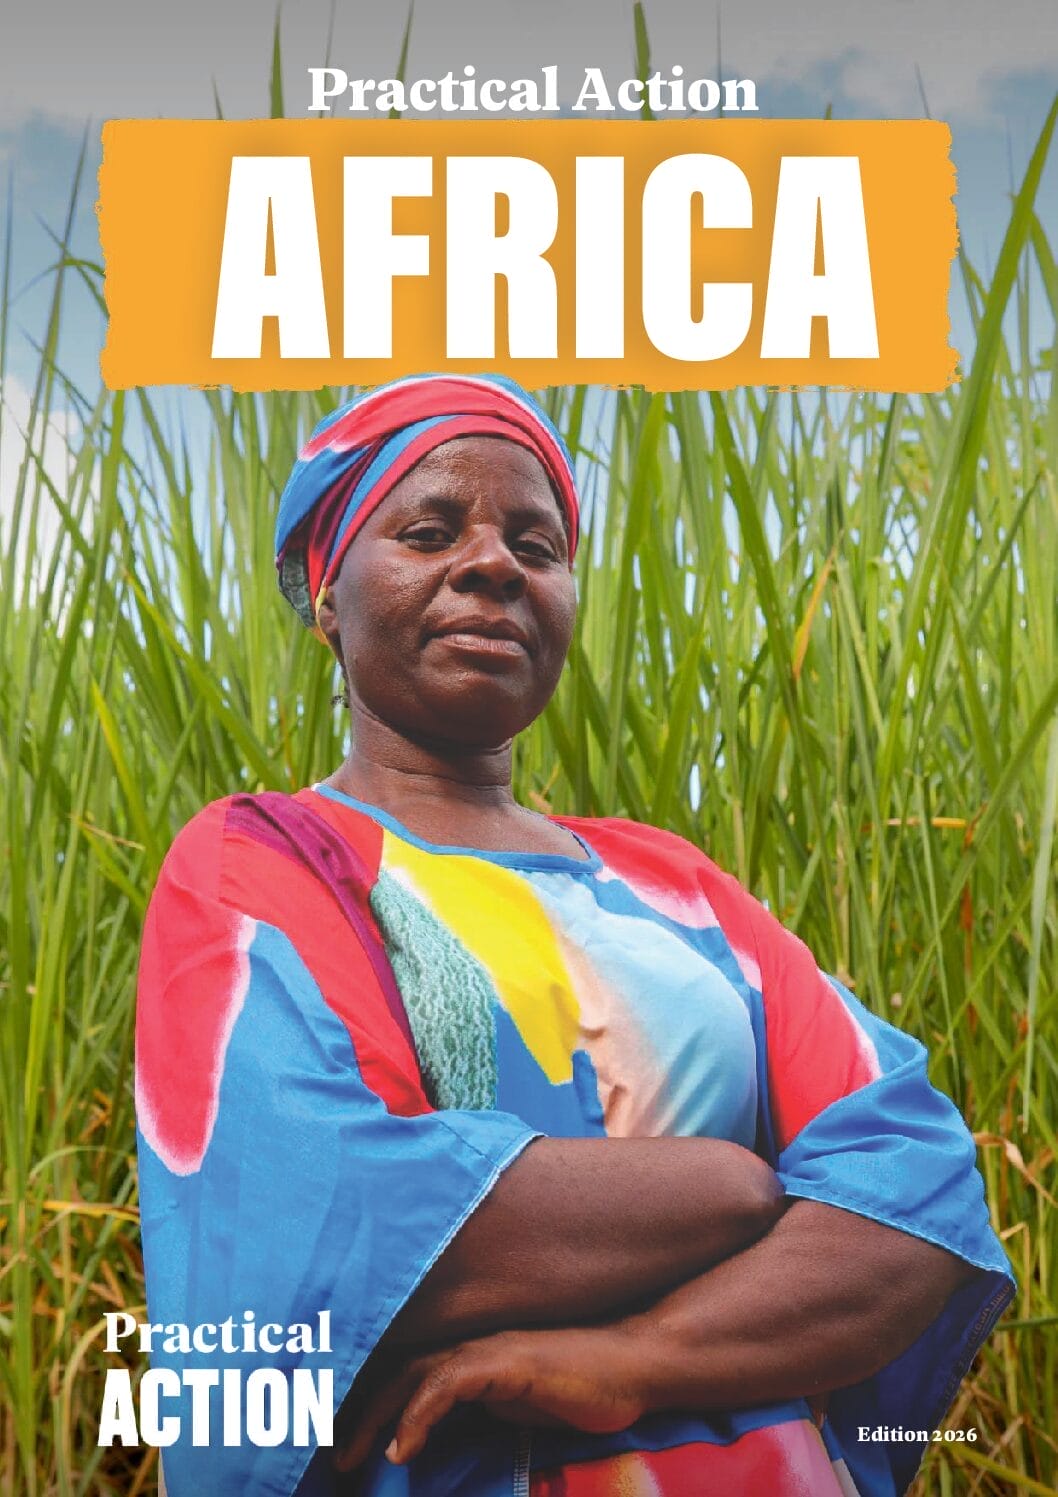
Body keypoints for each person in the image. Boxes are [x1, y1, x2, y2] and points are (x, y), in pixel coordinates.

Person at [135, 373, 1014, 1497]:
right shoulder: (271, 863)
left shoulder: (679, 889)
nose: (495, 563)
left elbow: (912, 1188)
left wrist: (633, 1358)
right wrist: (728, 1187)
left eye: (535, 545)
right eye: (429, 530)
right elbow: (308, 1216)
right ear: (325, 592)